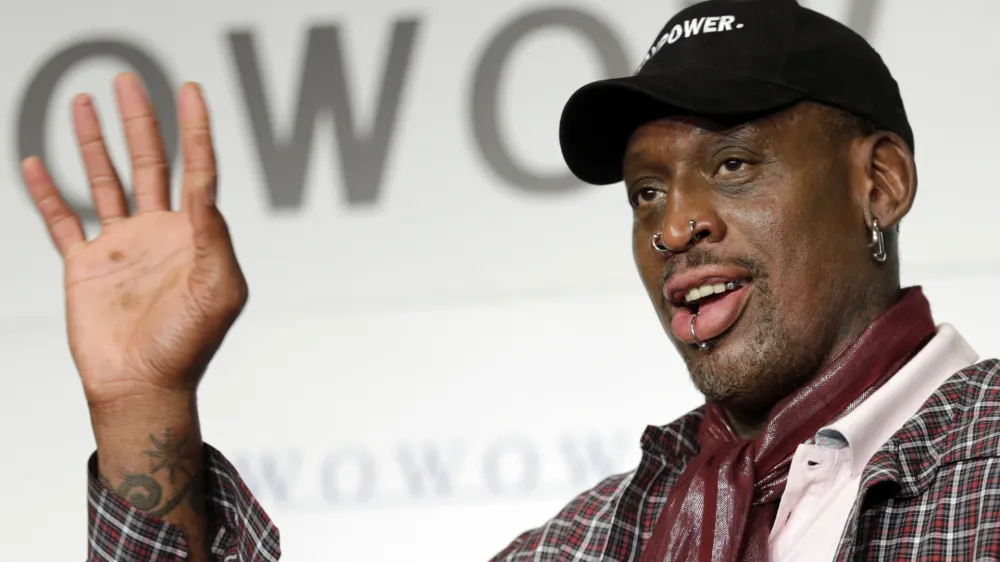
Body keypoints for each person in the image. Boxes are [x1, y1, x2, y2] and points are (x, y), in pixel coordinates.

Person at [19, 0, 1000, 560]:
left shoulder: (989, 458)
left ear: (879, 183)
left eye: (734, 166)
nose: (674, 224)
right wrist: (146, 403)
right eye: (643, 191)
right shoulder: (591, 539)